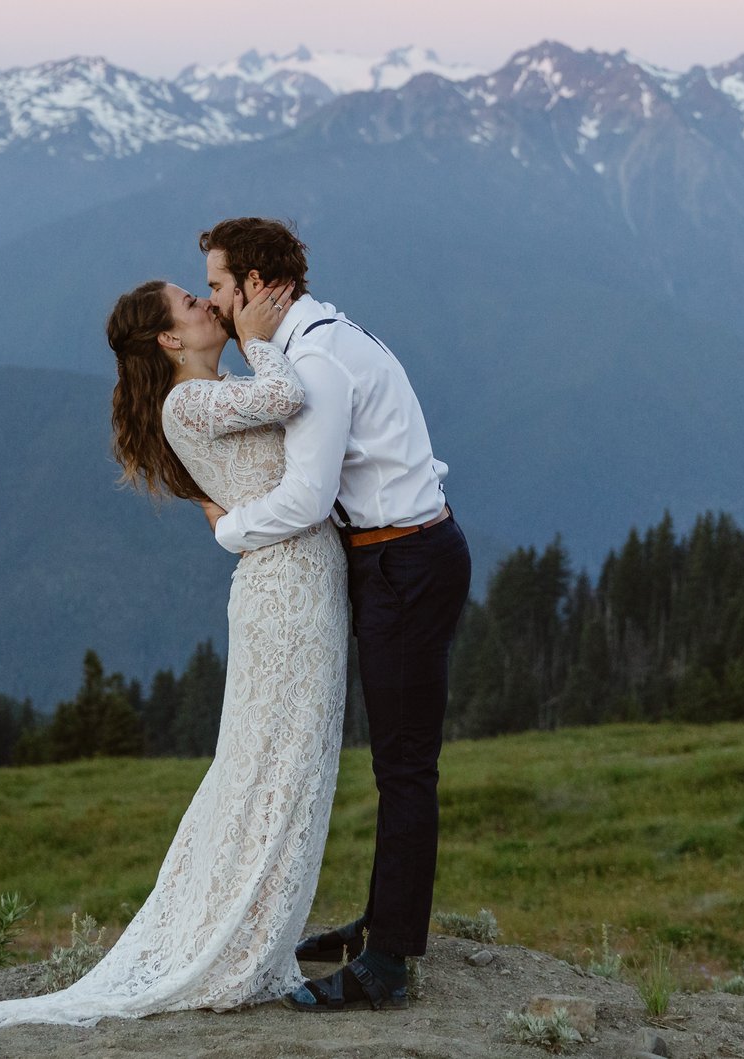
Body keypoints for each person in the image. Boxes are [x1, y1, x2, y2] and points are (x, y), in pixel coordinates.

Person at [0, 274, 347, 1029]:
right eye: (192, 302)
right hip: (287, 594)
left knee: (284, 760)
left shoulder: (213, 391)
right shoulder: (191, 400)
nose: (208, 302)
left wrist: (254, 345)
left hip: (297, 585)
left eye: (201, 292)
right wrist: (264, 331)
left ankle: (248, 929)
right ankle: (235, 938)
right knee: (270, 762)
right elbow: (287, 399)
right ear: (170, 341)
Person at [199, 216, 470, 1013]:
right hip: (404, 551)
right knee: (397, 758)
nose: (213, 301)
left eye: (219, 284)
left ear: (258, 284)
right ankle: (386, 922)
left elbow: (309, 494)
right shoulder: (321, 333)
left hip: (403, 562)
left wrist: (229, 530)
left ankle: (387, 964)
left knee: (405, 765)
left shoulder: (313, 356)